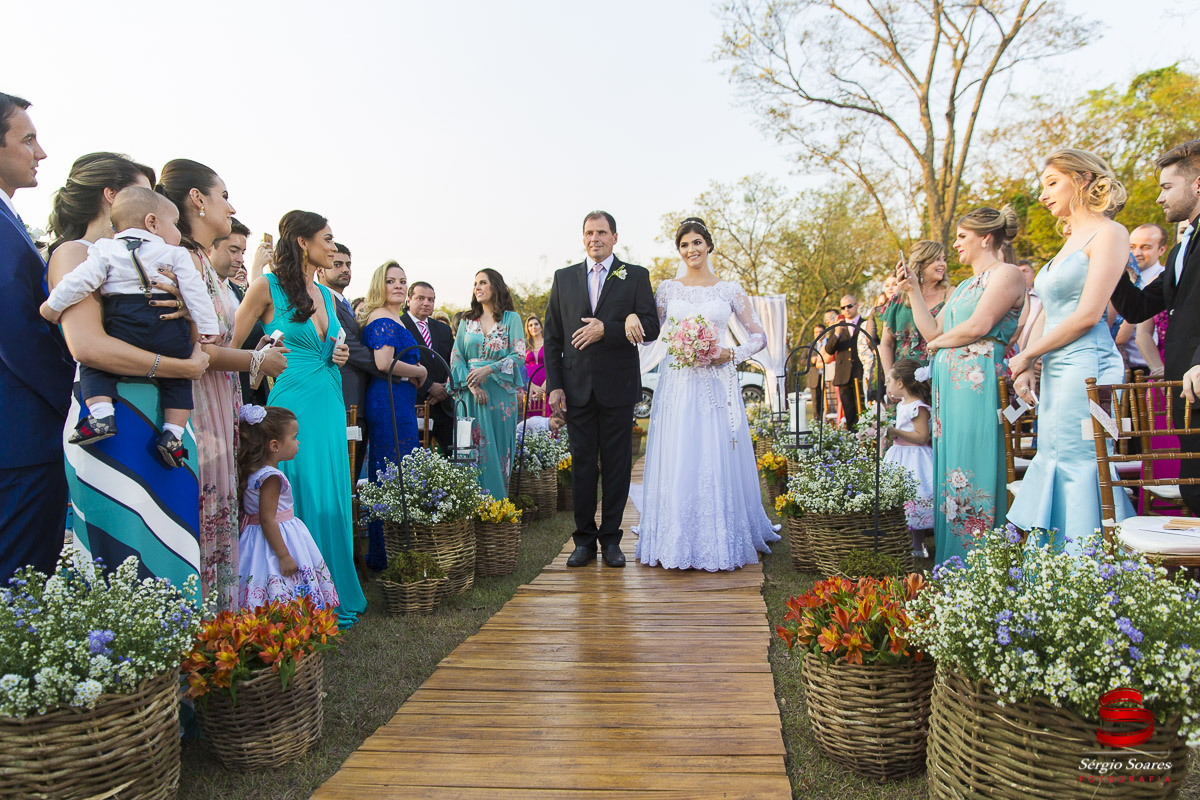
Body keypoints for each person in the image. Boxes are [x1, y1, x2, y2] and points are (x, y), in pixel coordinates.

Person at [48, 155, 212, 591]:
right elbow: (88, 346)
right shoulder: (76, 254)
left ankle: (176, 654)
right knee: (119, 550)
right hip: (114, 411)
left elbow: (200, 331)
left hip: (167, 416)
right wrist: (181, 366)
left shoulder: (163, 260)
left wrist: (184, 309)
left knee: (173, 534)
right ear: (113, 197)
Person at [155, 158, 287, 605]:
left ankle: (221, 624)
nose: (230, 208)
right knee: (208, 507)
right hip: (199, 403)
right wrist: (257, 359)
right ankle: (208, 630)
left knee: (224, 508)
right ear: (197, 199)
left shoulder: (203, 265)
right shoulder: (185, 261)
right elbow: (199, 349)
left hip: (220, 397)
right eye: (224, 195)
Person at [232, 209, 364, 627]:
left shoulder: (325, 293)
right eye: (327, 238)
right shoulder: (266, 286)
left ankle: (333, 587)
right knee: (297, 487)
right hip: (291, 402)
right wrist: (259, 364)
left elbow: (331, 345)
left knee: (331, 490)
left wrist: (338, 353)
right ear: (303, 242)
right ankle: (295, 592)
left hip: (328, 398)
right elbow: (233, 346)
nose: (332, 246)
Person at [634, 217, 779, 571]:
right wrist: (631, 321)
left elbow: (758, 336)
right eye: (684, 245)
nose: (691, 250)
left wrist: (731, 353)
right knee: (680, 451)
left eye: (697, 242)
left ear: (709, 245)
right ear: (679, 251)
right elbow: (652, 334)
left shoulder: (729, 290)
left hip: (715, 384)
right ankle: (676, 532)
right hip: (677, 384)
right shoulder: (668, 290)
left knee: (713, 451)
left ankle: (719, 531)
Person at [1008, 150, 1136, 546]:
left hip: (1089, 365)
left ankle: (1090, 564)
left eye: (1052, 183)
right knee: (1052, 454)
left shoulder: (1110, 233)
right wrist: (1027, 362)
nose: (1043, 195)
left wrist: (1028, 354)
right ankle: (1051, 566)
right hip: (1058, 367)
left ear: (1081, 179)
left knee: (1082, 458)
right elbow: (1047, 309)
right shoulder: (1068, 240)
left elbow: (1086, 314)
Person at [41, 187, 219, 467]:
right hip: (166, 326)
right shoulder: (176, 253)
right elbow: (196, 293)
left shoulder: (104, 249)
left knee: (96, 370)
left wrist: (51, 307)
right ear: (152, 223)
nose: (177, 231)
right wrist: (208, 326)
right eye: (174, 224)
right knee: (179, 380)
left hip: (124, 321)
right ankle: (173, 435)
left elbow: (80, 282)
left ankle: (101, 414)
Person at [902, 205, 1025, 565]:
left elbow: (980, 325)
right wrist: (912, 291)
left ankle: (981, 561)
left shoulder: (1007, 274)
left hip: (978, 383)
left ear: (985, 238)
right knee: (951, 466)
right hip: (950, 390)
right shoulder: (964, 287)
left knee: (975, 460)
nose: (955, 245)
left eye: (961, 237)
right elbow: (933, 331)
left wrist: (937, 346)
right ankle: (953, 559)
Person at [544, 211, 657, 568]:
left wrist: (607, 329)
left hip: (618, 388)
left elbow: (651, 327)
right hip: (576, 389)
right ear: (583, 238)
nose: (595, 238)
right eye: (589, 232)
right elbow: (552, 337)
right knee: (581, 468)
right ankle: (583, 541)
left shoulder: (635, 276)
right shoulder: (564, 279)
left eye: (602, 233)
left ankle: (611, 540)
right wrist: (555, 386)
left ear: (615, 237)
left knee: (617, 466)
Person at [0, 93, 75, 580]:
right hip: (22, 435)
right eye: (28, 139)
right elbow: (17, 333)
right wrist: (76, 394)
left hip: (23, 433)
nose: (41, 152)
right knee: (19, 579)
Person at [1113, 139, 1200, 515]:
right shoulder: (1182, 249)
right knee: (1194, 490)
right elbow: (1138, 306)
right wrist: (1108, 258)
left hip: (1197, 374)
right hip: (1185, 389)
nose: (1161, 198)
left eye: (1167, 187)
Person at [235, 404, 339, 610]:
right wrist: (283, 555)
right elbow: (267, 518)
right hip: (276, 539)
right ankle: (287, 620)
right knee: (280, 578)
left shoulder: (252, 471)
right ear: (274, 445)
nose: (297, 442)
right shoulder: (271, 477)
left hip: (252, 539)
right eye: (294, 437)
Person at [360, 261, 425, 570]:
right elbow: (384, 362)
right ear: (379, 286)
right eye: (391, 281)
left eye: (402, 280)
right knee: (390, 473)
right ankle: (385, 552)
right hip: (387, 401)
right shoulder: (382, 318)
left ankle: (396, 546)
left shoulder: (394, 318)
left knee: (400, 470)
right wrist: (419, 370)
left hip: (399, 400)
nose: (398, 285)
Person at [452, 268, 526, 502]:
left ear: (496, 286)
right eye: (475, 283)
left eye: (483, 282)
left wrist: (489, 369)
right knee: (468, 450)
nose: (477, 287)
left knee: (497, 451)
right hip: (470, 395)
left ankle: (497, 509)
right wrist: (471, 384)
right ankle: (469, 507)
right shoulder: (466, 320)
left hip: (501, 395)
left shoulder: (511, 319)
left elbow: (519, 354)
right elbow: (456, 357)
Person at [317, 242, 381, 478]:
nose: (345, 269)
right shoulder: (325, 301)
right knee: (342, 472)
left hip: (358, 397)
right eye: (337, 264)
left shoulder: (345, 302)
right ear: (321, 270)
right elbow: (350, 346)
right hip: (343, 399)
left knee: (352, 474)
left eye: (348, 264)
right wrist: (387, 366)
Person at [883, 358, 934, 558]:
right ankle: (901, 540)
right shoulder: (903, 404)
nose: (887, 385)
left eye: (889, 381)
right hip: (900, 454)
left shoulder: (918, 407)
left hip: (915, 457)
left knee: (916, 494)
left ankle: (918, 544)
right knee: (899, 497)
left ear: (900, 383)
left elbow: (922, 436)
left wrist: (895, 432)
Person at [213, 218, 267, 406]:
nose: (240, 259)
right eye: (233, 250)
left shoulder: (236, 293)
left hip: (239, 392)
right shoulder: (197, 288)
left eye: (242, 252)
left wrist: (259, 349)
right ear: (210, 246)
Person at [880, 241, 950, 375]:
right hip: (904, 379)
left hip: (939, 373)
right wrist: (889, 376)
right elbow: (887, 343)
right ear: (921, 263)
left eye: (944, 259)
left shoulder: (950, 294)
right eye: (936, 259)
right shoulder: (898, 299)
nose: (943, 264)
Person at [401, 280, 454, 451]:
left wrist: (445, 389)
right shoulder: (399, 325)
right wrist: (429, 386)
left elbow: (454, 360)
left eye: (431, 300)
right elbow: (398, 362)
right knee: (415, 461)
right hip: (415, 403)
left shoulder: (443, 329)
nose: (426, 303)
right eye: (420, 298)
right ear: (408, 300)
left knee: (456, 458)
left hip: (445, 406)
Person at [1126, 223, 1169, 377]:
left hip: (1157, 367)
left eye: (1145, 247)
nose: (1136, 253)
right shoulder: (1122, 279)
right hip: (1127, 368)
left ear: (1161, 249)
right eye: (1132, 247)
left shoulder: (1167, 280)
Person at [823, 294, 871, 429]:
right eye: (843, 307)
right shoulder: (838, 328)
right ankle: (852, 441)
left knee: (863, 411)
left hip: (859, 373)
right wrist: (837, 333)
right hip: (843, 376)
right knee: (849, 414)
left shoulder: (865, 323)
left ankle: (865, 441)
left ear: (856, 305)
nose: (846, 310)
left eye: (849, 306)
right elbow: (829, 350)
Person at [523, 314, 548, 417]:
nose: (533, 327)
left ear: (541, 326)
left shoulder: (549, 343)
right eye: (530, 325)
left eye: (536, 324)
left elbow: (554, 364)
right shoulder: (525, 347)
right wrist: (532, 386)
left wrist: (545, 385)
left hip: (546, 385)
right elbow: (522, 368)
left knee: (547, 416)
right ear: (527, 329)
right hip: (530, 388)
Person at [807, 322, 827, 420]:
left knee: (827, 400)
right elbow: (802, 360)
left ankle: (827, 420)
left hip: (827, 375)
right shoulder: (810, 345)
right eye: (816, 332)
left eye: (820, 331)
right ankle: (817, 421)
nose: (818, 334)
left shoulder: (829, 343)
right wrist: (811, 360)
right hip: (814, 377)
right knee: (816, 401)